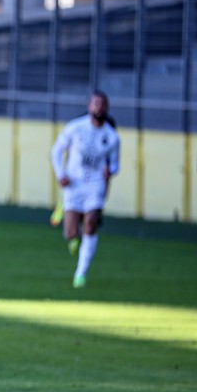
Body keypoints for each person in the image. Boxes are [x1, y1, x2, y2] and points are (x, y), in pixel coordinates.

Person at [51, 90, 120, 289]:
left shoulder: (112, 137)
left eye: (102, 104)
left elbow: (115, 164)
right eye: (95, 103)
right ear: (89, 106)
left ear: (107, 108)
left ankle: (80, 274)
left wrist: (111, 170)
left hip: (95, 185)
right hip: (73, 184)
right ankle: (72, 232)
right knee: (71, 232)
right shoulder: (75, 128)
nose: (99, 107)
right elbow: (56, 150)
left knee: (91, 222)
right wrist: (60, 174)